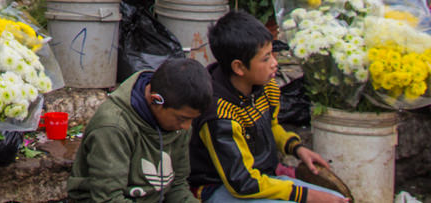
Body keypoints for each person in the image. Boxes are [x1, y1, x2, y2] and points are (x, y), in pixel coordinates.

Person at [190, 12, 348, 203]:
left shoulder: (267, 87)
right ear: (239, 67)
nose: (274, 63)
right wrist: (306, 195)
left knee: (338, 199)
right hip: (221, 188)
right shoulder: (219, 115)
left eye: (272, 53)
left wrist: (296, 148)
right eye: (265, 58)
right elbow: (243, 183)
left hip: (262, 179)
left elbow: (272, 126)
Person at [67, 58, 213, 202]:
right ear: (156, 100)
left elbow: (177, 186)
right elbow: (109, 199)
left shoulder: (179, 124)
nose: (187, 127)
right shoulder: (113, 127)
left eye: (192, 119)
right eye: (182, 119)